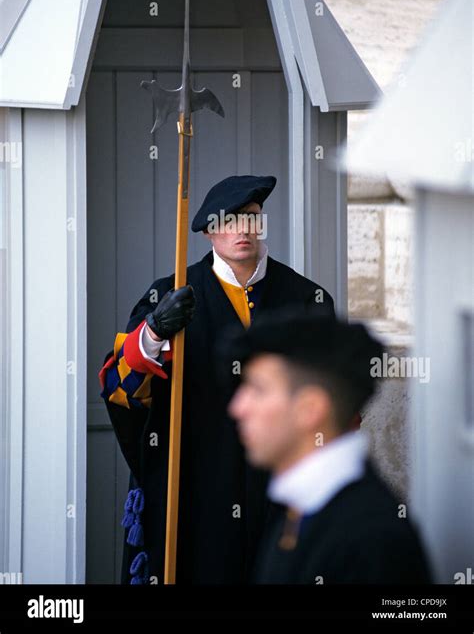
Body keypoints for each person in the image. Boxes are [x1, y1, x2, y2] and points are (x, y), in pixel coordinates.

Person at [98, 174, 335, 584]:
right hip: (195, 483)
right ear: (209, 231)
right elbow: (119, 386)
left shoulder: (306, 298)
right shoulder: (169, 293)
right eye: (229, 220)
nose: (243, 230)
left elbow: (334, 398)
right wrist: (153, 333)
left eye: (252, 219)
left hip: (279, 488)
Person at [227, 311, 433, 584]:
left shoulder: (372, 540)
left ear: (310, 409)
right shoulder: (303, 507)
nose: (238, 408)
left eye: (258, 390)